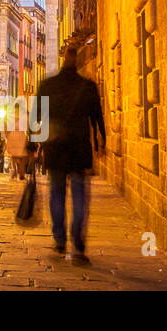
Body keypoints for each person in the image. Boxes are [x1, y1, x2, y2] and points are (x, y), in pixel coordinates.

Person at [37, 45, 106, 265]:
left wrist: (31, 145)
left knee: (56, 194)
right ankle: (78, 244)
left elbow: (36, 116)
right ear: (76, 61)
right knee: (79, 197)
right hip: (78, 149)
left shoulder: (48, 85)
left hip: (55, 148)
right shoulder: (87, 87)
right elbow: (97, 118)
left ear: (62, 59)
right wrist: (100, 142)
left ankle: (59, 240)